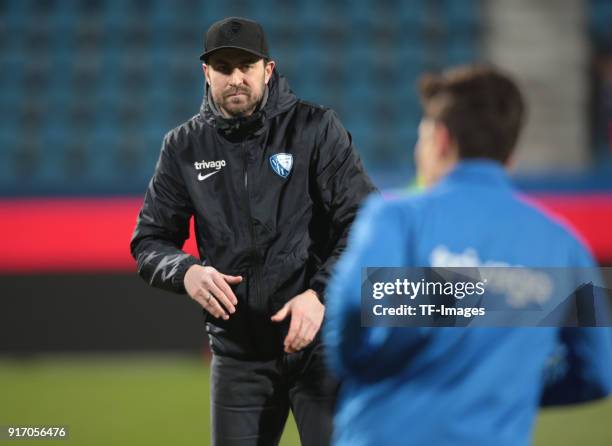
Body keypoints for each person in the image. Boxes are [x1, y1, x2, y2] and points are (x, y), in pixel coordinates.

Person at [323, 65, 612, 446]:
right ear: (510, 153)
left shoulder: (396, 219)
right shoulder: (565, 247)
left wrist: (360, 366)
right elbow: (598, 372)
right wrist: (508, 390)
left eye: (421, 136)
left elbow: (347, 318)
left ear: (440, 140)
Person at [130, 16, 375, 446]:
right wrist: (186, 271)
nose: (236, 78)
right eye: (224, 67)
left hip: (321, 348)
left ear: (269, 69)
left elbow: (365, 224)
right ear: (206, 73)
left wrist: (320, 295)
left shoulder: (315, 129)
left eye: (247, 66)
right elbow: (150, 242)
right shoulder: (183, 146)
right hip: (238, 354)